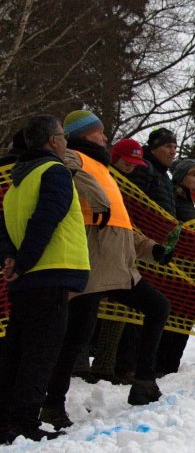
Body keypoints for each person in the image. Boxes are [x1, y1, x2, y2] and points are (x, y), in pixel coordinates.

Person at [42, 124, 172, 430]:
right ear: (83, 134)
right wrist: (98, 198)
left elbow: (122, 226)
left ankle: (143, 382)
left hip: (118, 266)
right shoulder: (74, 156)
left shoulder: (105, 171)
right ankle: (52, 404)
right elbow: (69, 174)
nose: (105, 138)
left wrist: (153, 249)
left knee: (158, 307)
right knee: (75, 337)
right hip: (91, 262)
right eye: (100, 133)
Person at [0, 115, 89, 443]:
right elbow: (46, 220)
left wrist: (10, 259)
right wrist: (22, 262)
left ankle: (6, 420)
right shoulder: (55, 172)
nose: (66, 141)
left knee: (17, 350)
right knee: (41, 353)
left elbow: (5, 227)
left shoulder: (17, 182)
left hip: (26, 278)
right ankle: (25, 422)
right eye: (63, 136)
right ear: (53, 141)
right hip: (49, 273)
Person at [154, 158, 195, 376]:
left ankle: (170, 367)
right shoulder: (176, 201)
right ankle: (157, 364)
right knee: (169, 317)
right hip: (174, 268)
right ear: (181, 178)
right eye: (193, 174)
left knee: (185, 319)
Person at [125, 127, 178, 216]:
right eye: (168, 146)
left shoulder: (166, 177)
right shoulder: (142, 167)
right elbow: (131, 203)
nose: (173, 152)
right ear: (153, 149)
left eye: (175, 147)